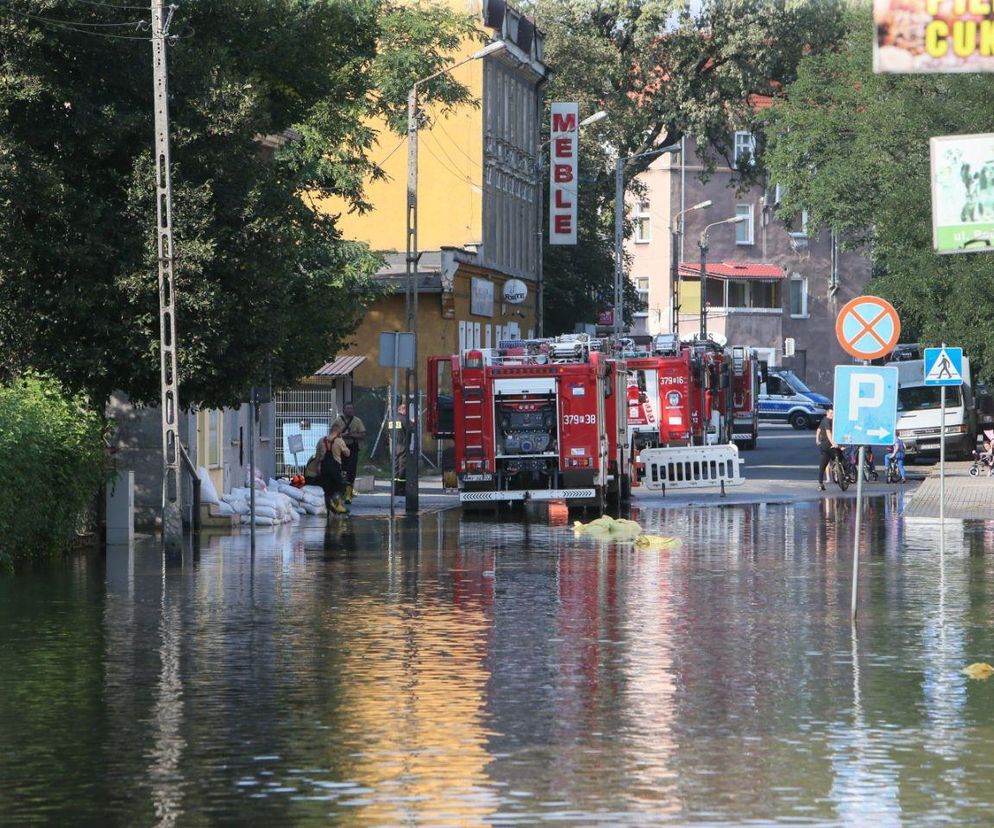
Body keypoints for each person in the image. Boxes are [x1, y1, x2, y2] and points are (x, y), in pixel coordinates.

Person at [333, 402, 366, 504]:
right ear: (343, 410)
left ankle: (348, 494)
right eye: (347, 408)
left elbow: (363, 434)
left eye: (351, 408)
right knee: (339, 471)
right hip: (340, 448)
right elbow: (333, 434)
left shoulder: (357, 421)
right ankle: (339, 493)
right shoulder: (338, 420)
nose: (349, 410)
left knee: (351, 472)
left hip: (352, 448)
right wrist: (343, 435)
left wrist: (353, 436)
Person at [315, 423, 351, 514]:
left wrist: (318, 466)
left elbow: (317, 457)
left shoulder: (321, 441)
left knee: (326, 489)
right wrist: (342, 440)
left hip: (324, 467)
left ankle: (328, 508)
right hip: (335, 468)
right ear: (338, 432)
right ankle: (337, 504)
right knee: (340, 486)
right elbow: (347, 454)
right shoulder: (339, 441)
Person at [816, 406, 843, 491]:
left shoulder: (824, 420)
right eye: (831, 413)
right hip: (829, 446)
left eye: (833, 414)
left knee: (822, 465)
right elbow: (828, 432)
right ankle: (845, 475)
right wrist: (834, 443)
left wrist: (817, 439)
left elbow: (818, 430)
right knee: (842, 459)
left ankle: (820, 484)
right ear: (827, 413)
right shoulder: (827, 421)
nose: (832, 415)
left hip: (823, 446)